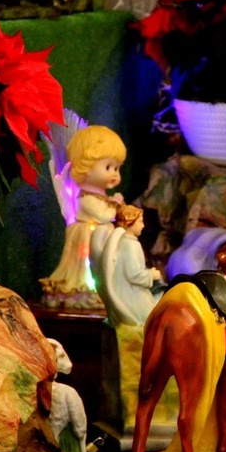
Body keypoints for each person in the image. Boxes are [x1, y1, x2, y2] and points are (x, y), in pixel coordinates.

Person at [40, 125, 126, 309]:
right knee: (88, 268)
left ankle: (106, 288)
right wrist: (115, 206)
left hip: (102, 237)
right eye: (109, 166)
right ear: (86, 166)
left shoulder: (100, 196)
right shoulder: (85, 199)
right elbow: (103, 216)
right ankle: (86, 290)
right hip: (87, 237)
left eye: (117, 168)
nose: (114, 174)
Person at [102, 204, 163, 326]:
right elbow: (133, 274)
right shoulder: (131, 245)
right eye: (140, 222)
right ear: (129, 222)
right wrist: (151, 275)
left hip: (130, 290)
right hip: (130, 294)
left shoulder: (125, 242)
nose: (143, 226)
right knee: (154, 314)